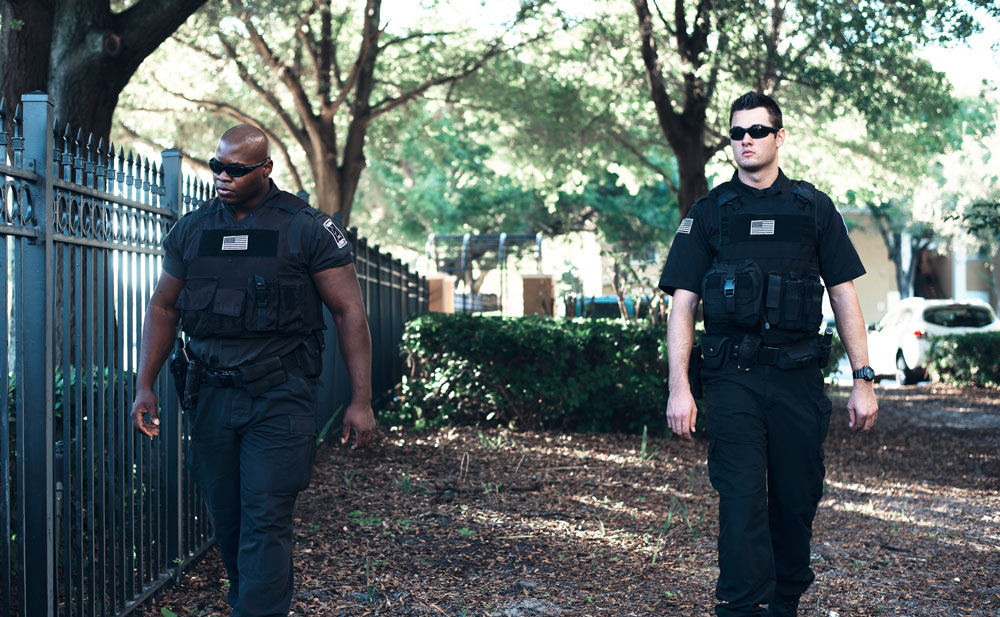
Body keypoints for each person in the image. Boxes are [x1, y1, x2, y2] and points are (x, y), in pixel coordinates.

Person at [130, 125, 376, 617]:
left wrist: (361, 400)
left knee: (265, 516)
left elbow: (350, 313)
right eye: (217, 165)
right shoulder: (192, 229)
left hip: (280, 395)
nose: (222, 176)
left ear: (265, 169)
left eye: (236, 169)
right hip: (210, 396)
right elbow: (163, 307)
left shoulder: (307, 228)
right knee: (228, 519)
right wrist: (144, 385)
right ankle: (251, 602)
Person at [658, 92, 878, 617]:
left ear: (779, 137)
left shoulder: (814, 208)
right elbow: (683, 305)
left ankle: (783, 603)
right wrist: (680, 386)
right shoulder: (710, 213)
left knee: (795, 499)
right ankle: (740, 607)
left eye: (757, 131)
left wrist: (863, 377)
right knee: (739, 500)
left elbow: (843, 293)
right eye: (737, 133)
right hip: (733, 378)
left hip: (798, 379)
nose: (746, 141)